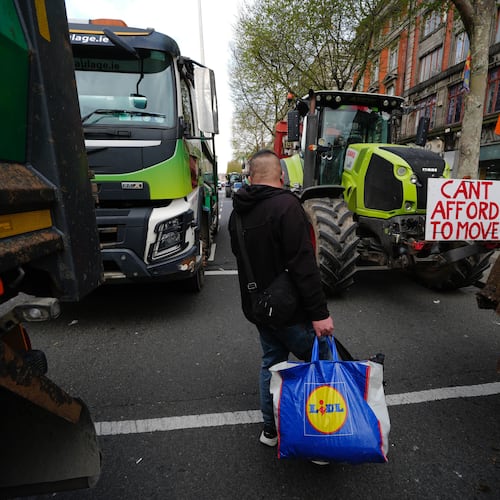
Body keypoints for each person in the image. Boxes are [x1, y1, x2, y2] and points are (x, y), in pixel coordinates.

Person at [228, 149, 334, 447]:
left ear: (251, 175)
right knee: (321, 364)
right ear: (281, 174)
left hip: (259, 306)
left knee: (271, 362)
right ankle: (321, 435)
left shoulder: (238, 212)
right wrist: (319, 313)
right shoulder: (287, 206)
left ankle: (270, 431)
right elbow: (303, 265)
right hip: (291, 310)